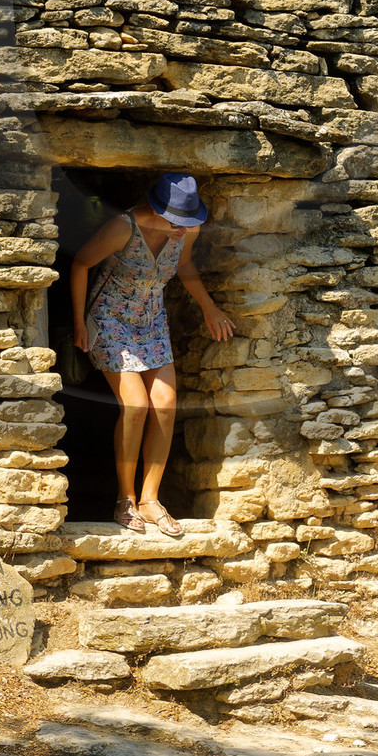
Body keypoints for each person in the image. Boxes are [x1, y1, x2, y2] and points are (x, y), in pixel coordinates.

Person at [70, 170, 236, 537]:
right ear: (158, 208)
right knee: (135, 404)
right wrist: (79, 321)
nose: (182, 229)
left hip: (151, 320)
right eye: (177, 222)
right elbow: (81, 263)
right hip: (110, 318)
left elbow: (184, 265)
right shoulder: (122, 227)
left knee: (165, 403)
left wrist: (209, 307)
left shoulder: (187, 230)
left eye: (188, 222)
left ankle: (150, 499)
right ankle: (124, 499)